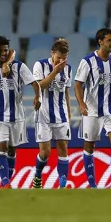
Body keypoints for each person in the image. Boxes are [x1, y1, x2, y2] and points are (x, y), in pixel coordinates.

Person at [74, 27, 111, 189]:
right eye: (109, 40)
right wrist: (81, 104)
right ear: (100, 42)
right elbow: (78, 84)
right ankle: (92, 185)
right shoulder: (88, 61)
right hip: (92, 110)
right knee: (89, 147)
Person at [0, 36, 41, 188]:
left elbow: (34, 83)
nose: (3, 53)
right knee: (2, 148)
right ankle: (6, 183)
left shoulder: (19, 66)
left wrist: (37, 97)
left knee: (12, 150)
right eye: (0, 50)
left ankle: (7, 181)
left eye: (6, 51)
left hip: (17, 116)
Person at [32, 38, 72, 189]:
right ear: (52, 54)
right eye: (58, 57)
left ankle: (62, 185)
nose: (61, 61)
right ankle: (37, 175)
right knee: (45, 153)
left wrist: (68, 112)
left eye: (64, 58)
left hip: (61, 116)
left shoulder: (67, 69)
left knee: (63, 149)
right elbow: (38, 86)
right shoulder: (40, 65)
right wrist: (54, 72)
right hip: (43, 116)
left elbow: (66, 91)